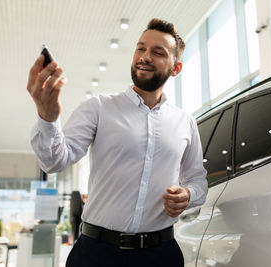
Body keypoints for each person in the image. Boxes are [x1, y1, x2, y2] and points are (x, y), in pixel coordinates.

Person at [27, 18, 207, 267]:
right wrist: (48, 119)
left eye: (157, 52)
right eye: (141, 48)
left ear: (176, 68)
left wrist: (188, 194)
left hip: (161, 255)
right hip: (96, 255)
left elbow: (198, 180)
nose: (145, 56)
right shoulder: (99, 107)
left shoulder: (185, 122)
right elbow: (54, 161)